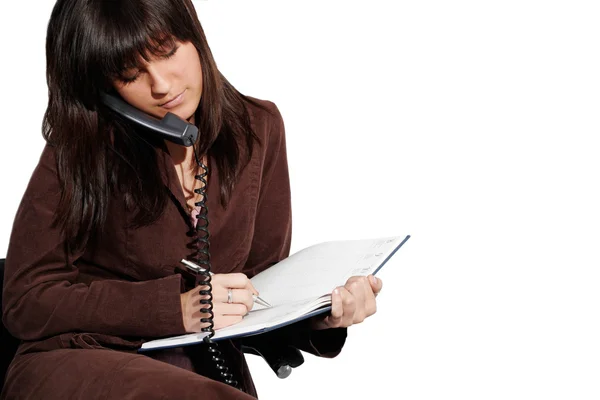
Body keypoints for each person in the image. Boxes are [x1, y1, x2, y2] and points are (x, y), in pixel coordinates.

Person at [0, 0, 383, 398]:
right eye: (130, 74)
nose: (162, 85)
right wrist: (173, 308)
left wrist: (324, 314)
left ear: (194, 34)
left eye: (167, 52)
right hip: (81, 359)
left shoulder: (259, 129)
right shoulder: (81, 147)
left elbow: (261, 291)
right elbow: (26, 300)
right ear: (104, 87)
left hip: (200, 368)